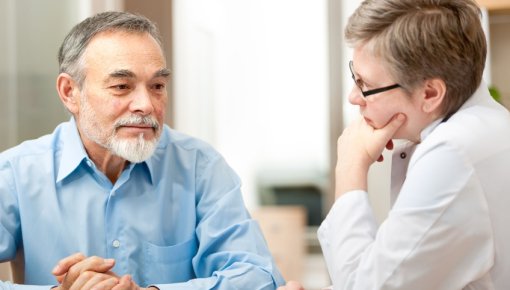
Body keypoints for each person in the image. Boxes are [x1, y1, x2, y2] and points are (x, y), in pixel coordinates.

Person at [0, 11, 285, 290]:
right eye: (122, 86)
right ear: (70, 92)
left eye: (157, 86)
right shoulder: (15, 174)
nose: (146, 105)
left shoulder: (200, 166)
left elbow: (259, 275)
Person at [279, 0, 510, 289]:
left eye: (365, 83)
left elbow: (365, 286)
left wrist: (351, 168)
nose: (353, 96)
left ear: (430, 93)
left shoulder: (452, 154)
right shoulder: (488, 124)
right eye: (354, 76)